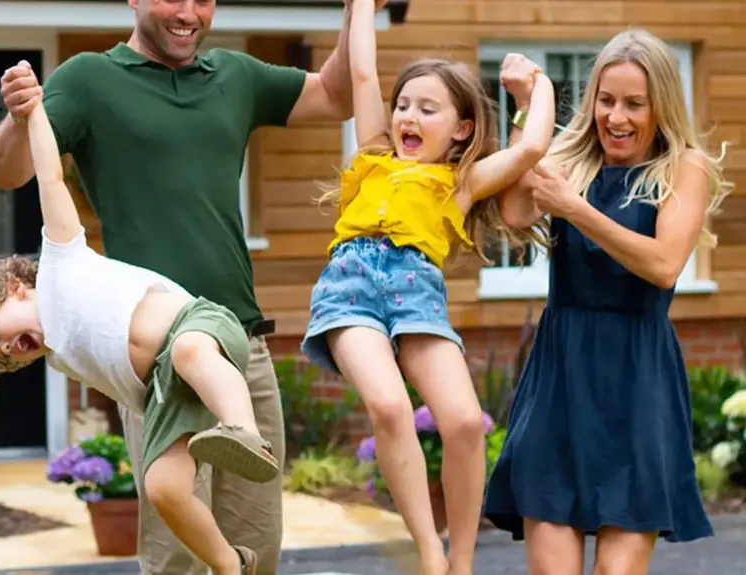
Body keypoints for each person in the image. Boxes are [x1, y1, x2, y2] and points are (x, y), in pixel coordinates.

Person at [0, 0, 358, 572]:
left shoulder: (236, 76)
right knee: (178, 560)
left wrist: (358, 9)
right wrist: (19, 115)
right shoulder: (90, 79)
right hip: (158, 364)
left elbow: (337, 94)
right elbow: (9, 171)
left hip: (242, 351)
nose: (189, 12)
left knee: (255, 554)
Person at [0, 98, 283, 575]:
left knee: (188, 351)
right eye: (3, 356)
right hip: (165, 395)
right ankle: (231, 563)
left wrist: (34, 113)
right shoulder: (61, 358)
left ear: (15, 291)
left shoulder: (60, 262)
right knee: (163, 488)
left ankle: (244, 431)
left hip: (200, 327)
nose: (10, 348)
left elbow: (51, 179)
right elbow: (124, 387)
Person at [299, 1, 555, 573]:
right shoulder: (372, 155)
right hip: (351, 288)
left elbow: (531, 148)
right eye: (404, 106)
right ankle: (428, 553)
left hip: (416, 294)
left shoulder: (462, 181)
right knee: (389, 406)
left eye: (427, 109)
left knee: (465, 422)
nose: (407, 117)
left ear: (461, 128)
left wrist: (536, 86)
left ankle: (461, 561)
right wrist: (361, 5)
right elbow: (363, 74)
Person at [485, 29, 732, 575]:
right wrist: (528, 109)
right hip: (560, 382)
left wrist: (575, 209)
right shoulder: (572, 158)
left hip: (636, 383)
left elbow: (665, 264)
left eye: (634, 104)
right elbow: (515, 214)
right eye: (606, 99)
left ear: (659, 106)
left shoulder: (683, 168)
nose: (615, 116)